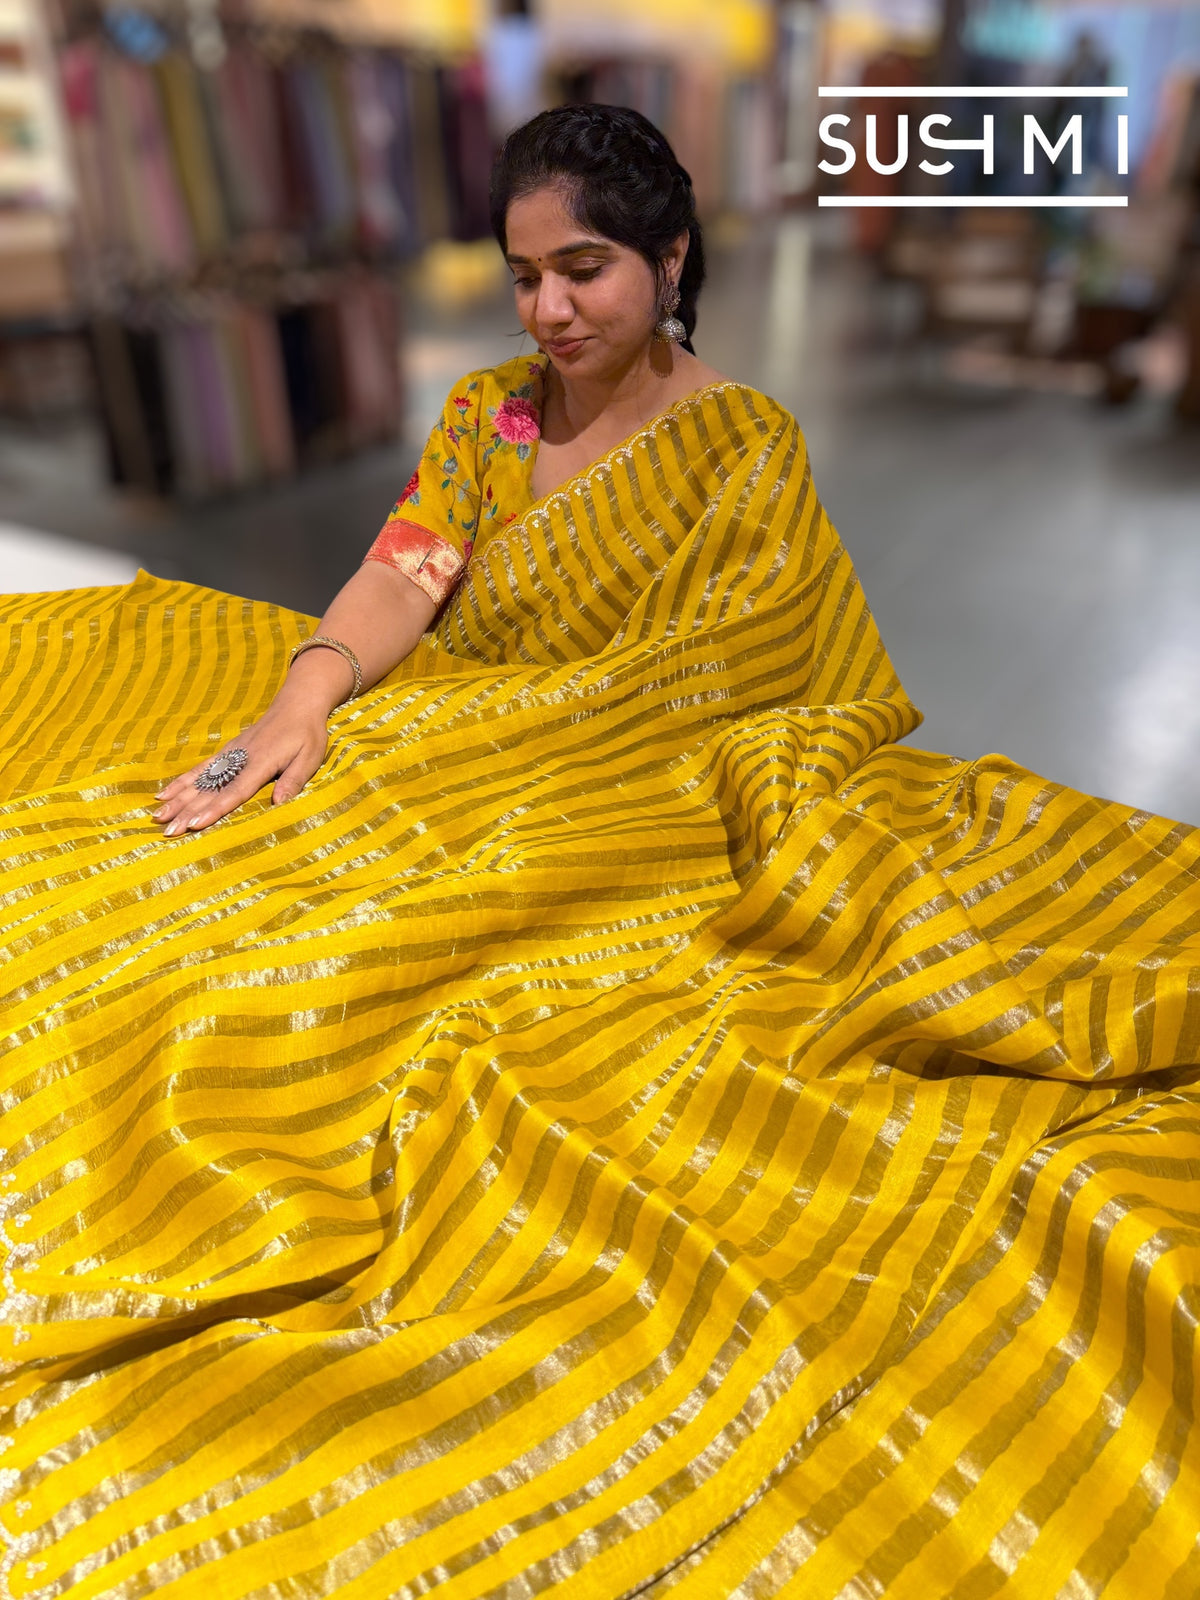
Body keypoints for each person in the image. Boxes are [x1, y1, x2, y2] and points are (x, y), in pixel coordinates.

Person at [1, 105, 1198, 1600]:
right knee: (140, 866)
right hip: (447, 739)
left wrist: (538, 741)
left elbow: (754, 672)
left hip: (627, 791)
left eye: (586, 269)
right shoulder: (493, 418)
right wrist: (308, 694)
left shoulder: (741, 448)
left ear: (670, 258)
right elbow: (406, 569)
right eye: (523, 276)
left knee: (313, 970)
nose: (551, 311)